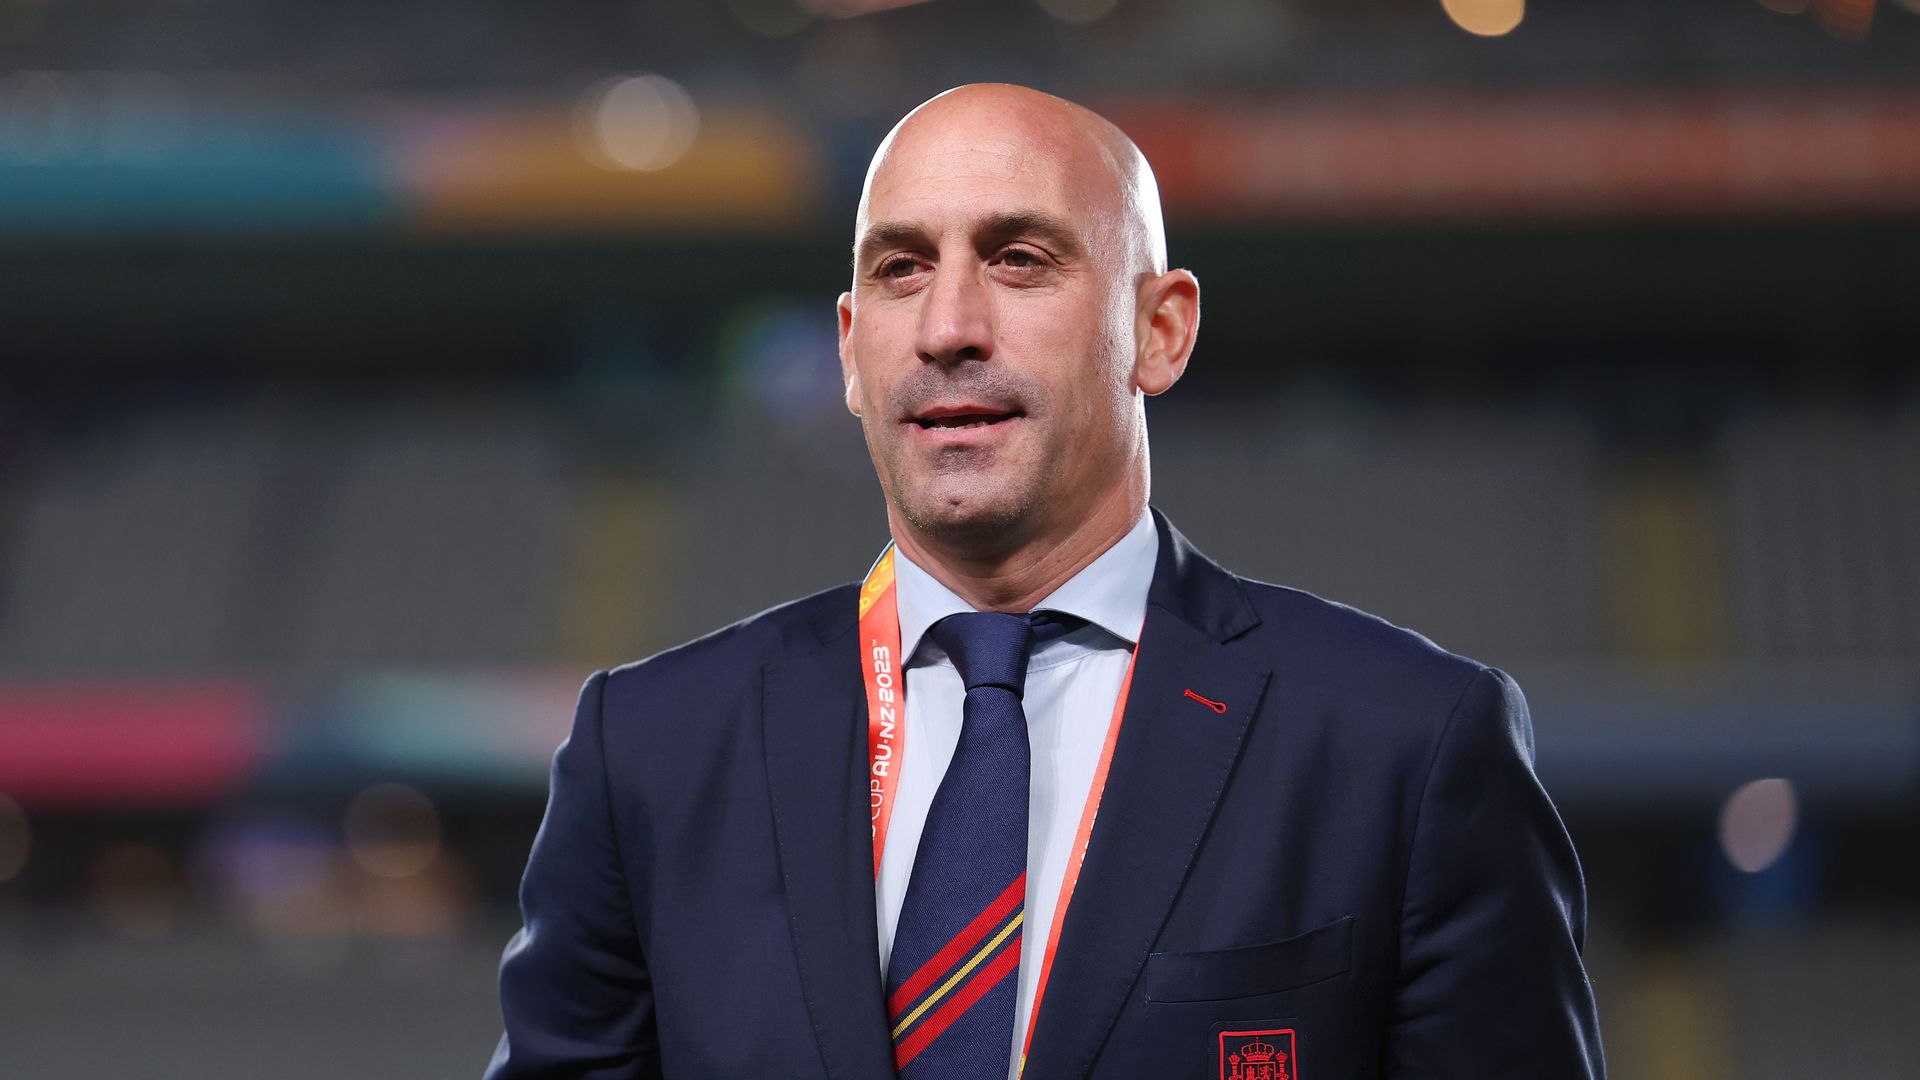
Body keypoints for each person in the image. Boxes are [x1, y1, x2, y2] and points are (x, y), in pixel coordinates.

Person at [486, 83, 1605, 1080]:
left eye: (1020, 259)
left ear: (1159, 331)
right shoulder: (649, 752)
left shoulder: (1408, 745)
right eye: (901, 269)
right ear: (850, 348)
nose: (947, 328)